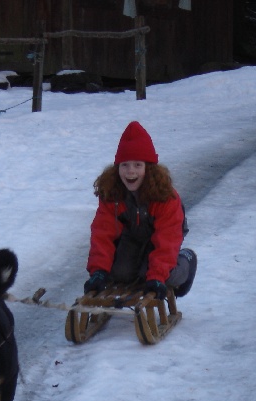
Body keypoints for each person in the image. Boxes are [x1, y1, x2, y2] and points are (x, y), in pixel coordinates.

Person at [84, 121, 196, 300]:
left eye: (137, 165)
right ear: (117, 168)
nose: (130, 172)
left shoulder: (164, 197)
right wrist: (99, 270)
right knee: (120, 273)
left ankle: (186, 261)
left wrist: (158, 276)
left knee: (157, 275)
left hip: (163, 238)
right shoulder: (113, 193)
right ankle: (141, 266)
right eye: (124, 165)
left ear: (148, 168)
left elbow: (167, 238)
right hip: (132, 236)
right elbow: (102, 233)